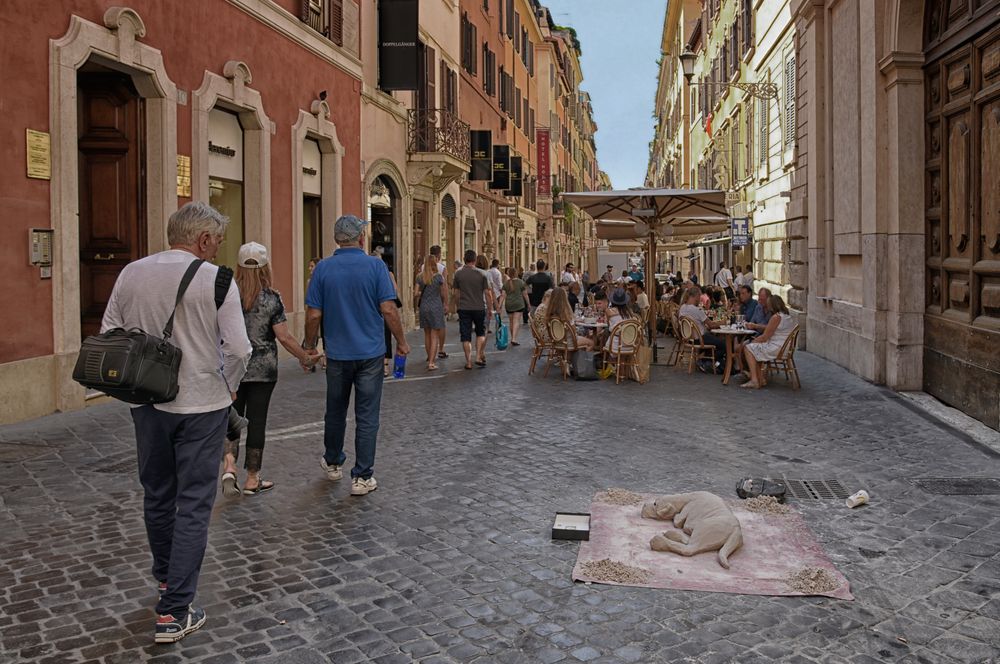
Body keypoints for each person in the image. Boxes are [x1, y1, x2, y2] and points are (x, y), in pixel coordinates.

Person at [101, 202, 253, 643]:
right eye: (217, 242)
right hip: (201, 405)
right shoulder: (217, 279)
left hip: (147, 404)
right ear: (204, 240)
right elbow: (240, 349)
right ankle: (174, 610)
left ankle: (167, 582)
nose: (216, 249)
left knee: (158, 496)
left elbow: (112, 331)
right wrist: (226, 387)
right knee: (194, 505)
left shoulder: (131, 272)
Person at [305, 215, 409, 497]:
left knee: (335, 411)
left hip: (337, 354)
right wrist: (400, 341)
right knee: (367, 415)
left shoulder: (323, 269)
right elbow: (388, 309)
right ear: (361, 238)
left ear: (337, 239)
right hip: (370, 354)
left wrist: (309, 344)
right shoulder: (376, 266)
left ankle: (333, 461)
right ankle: (362, 477)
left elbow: (314, 314)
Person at [220, 242, 318, 499]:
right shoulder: (272, 298)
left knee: (230, 417)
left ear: (238, 267)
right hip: (263, 370)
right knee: (257, 421)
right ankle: (253, 478)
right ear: (266, 269)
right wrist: (305, 357)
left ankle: (229, 465)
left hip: (231, 369)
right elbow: (284, 337)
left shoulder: (226, 295)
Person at [742, 295, 796, 389]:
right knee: (755, 348)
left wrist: (754, 342)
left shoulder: (776, 317)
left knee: (748, 348)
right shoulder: (786, 316)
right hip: (784, 347)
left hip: (777, 348)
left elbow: (765, 337)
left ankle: (754, 380)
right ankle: (760, 378)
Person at [453, 249, 495, 369]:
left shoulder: (458, 274)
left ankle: (468, 362)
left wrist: (458, 305)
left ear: (464, 259)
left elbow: (456, 293)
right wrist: (490, 308)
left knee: (465, 336)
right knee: (480, 332)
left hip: (464, 308)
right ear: (475, 260)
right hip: (479, 308)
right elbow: (487, 293)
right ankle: (477, 357)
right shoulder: (482, 274)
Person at [678, 286, 726, 372]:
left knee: (715, 340)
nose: (700, 299)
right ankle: (707, 362)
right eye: (699, 296)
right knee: (723, 345)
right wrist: (723, 322)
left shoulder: (682, 308)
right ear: (696, 296)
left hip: (688, 338)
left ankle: (706, 360)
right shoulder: (697, 310)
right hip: (700, 338)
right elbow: (711, 325)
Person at [414, 254, 447, 371]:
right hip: (436, 307)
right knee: (434, 336)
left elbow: (415, 293)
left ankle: (429, 357)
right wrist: (444, 304)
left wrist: (423, 293)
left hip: (424, 307)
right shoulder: (438, 278)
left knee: (427, 334)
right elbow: (443, 293)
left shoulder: (420, 277)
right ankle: (432, 362)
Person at [546, 287, 594, 351]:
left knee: (582, 335)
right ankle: (582, 360)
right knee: (591, 342)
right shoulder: (566, 313)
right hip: (569, 342)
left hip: (556, 341)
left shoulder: (550, 314)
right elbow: (573, 330)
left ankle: (569, 358)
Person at [428, 245, 448, 360]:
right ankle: (440, 349)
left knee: (428, 330)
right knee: (441, 326)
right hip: (438, 300)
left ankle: (429, 353)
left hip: (426, 300)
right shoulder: (442, 268)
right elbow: (444, 287)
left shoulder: (422, 267)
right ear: (439, 255)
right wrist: (446, 303)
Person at [605, 288, 638, 355]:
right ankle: (622, 364)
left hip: (616, 346)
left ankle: (609, 363)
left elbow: (608, 325)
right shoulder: (630, 312)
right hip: (631, 345)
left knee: (606, 334)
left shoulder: (609, 311)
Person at [502, 267, 527, 346]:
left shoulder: (506, 283)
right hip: (518, 304)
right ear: (516, 273)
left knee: (511, 321)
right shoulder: (521, 282)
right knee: (516, 321)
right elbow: (525, 294)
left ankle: (512, 337)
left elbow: (503, 295)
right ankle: (514, 338)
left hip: (509, 304)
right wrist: (528, 304)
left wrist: (499, 306)